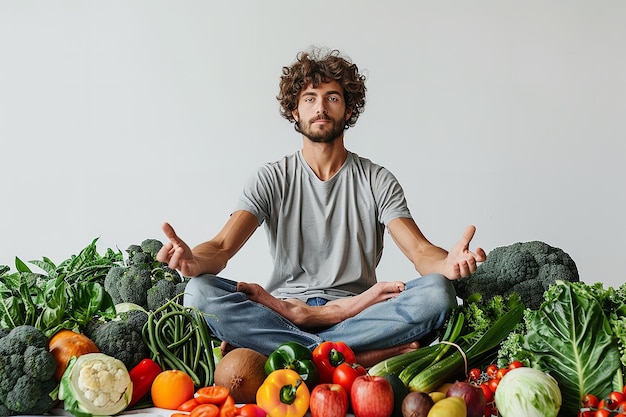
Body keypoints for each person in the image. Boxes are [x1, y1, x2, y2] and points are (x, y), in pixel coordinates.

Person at [157, 47, 486, 367]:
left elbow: (419, 251)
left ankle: (293, 355)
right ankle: (353, 357)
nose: (321, 107)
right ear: (295, 111)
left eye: (332, 97)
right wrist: (194, 260)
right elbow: (221, 246)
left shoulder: (377, 180)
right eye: (310, 98)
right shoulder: (272, 178)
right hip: (282, 310)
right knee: (199, 292)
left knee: (437, 293)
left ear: (348, 110)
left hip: (360, 312)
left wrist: (446, 265)